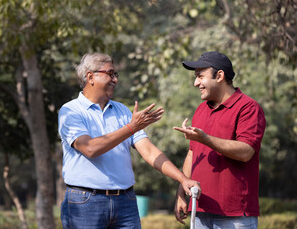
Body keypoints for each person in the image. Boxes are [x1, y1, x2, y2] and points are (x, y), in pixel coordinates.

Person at [58, 53, 200, 229]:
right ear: (90, 77)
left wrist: (182, 179)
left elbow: (149, 151)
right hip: (85, 203)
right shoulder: (70, 111)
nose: (115, 79)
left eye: (115, 74)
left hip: (125, 203)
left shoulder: (122, 111)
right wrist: (131, 128)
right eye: (110, 73)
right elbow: (89, 149)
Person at [173, 51, 266, 229]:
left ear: (220, 76)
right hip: (199, 211)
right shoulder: (201, 109)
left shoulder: (248, 107)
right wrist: (180, 194)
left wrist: (205, 139)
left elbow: (246, 151)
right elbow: (192, 153)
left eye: (200, 76)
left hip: (235, 216)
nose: (196, 83)